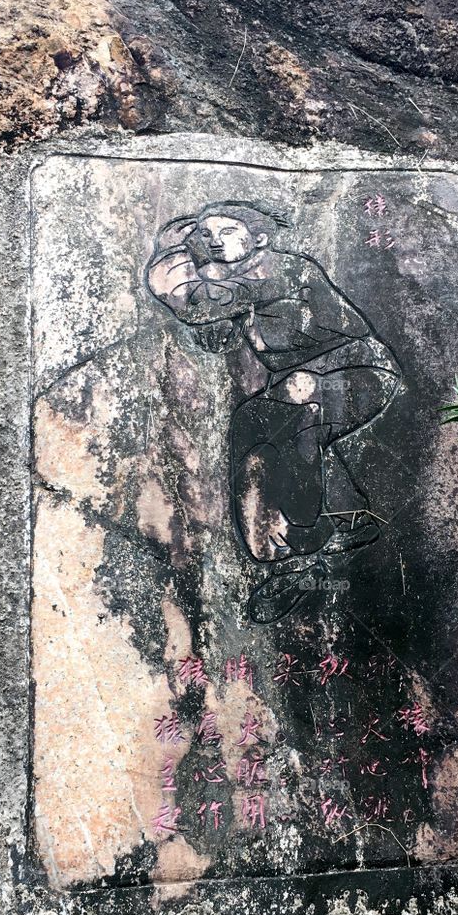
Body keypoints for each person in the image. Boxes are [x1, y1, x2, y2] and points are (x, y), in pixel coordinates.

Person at [145, 201, 401, 622]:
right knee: (260, 419)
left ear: (259, 238)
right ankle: (331, 528)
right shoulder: (232, 282)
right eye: (204, 232)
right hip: (302, 379)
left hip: (355, 368)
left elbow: (194, 304)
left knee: (289, 409)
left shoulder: (281, 268)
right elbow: (218, 331)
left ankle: (304, 539)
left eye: (228, 230)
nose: (213, 240)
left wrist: (173, 250)